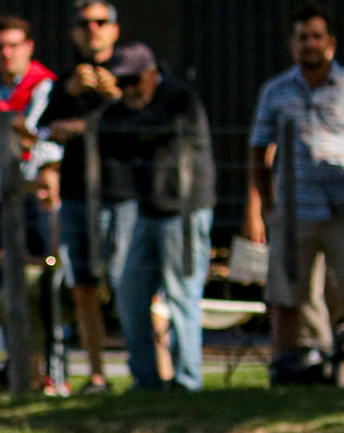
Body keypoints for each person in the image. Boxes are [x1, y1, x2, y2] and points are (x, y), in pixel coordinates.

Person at [38, 5, 145, 393]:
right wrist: (70, 94)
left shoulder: (134, 70)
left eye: (101, 23)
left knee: (126, 283)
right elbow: (45, 128)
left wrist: (113, 95)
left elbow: (146, 121)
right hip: (77, 195)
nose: (93, 30)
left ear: (115, 30)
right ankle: (98, 374)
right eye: (85, 24)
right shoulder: (67, 79)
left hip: (122, 194)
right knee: (81, 284)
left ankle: (144, 371)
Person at [247, 4, 344, 381]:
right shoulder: (275, 91)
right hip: (293, 210)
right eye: (302, 37)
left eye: (316, 37)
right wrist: (262, 207)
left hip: (340, 211)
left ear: (330, 44)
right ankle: (291, 369)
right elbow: (257, 149)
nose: (309, 44)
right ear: (292, 44)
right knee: (289, 295)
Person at [109, 47, 214, 391]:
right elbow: (113, 141)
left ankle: (187, 382)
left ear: (152, 73)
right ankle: (146, 380)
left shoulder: (178, 98)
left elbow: (140, 131)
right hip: (148, 210)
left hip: (183, 211)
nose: (128, 89)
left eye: (133, 80)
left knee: (181, 294)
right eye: (120, 82)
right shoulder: (130, 105)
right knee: (129, 294)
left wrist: (108, 113)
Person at [0, 16, 62, 260]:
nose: (6, 54)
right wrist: (11, 145)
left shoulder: (46, 88)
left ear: (29, 47)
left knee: (43, 269)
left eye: (13, 46)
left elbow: (38, 143)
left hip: (36, 199)